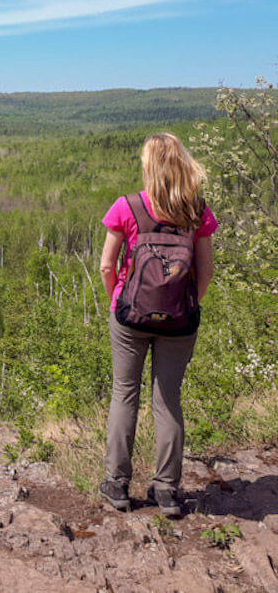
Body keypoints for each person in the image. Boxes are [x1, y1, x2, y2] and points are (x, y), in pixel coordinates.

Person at [97, 133, 217, 517]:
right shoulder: (196, 211)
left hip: (130, 317)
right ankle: (166, 491)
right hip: (180, 323)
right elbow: (206, 270)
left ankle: (117, 485)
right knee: (168, 401)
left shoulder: (127, 206)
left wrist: (118, 299)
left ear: (149, 166)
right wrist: (186, 304)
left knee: (124, 394)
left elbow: (106, 265)